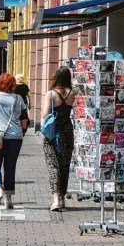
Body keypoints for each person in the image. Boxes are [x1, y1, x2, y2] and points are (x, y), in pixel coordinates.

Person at [0, 73, 27, 209]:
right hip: (14, 137)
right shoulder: (18, 98)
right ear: (12, 85)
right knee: (10, 167)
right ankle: (8, 199)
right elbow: (24, 121)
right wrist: (21, 132)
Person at [40, 67, 76, 211]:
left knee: (53, 164)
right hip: (68, 130)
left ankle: (55, 199)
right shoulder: (72, 93)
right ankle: (62, 199)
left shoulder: (51, 94)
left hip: (53, 132)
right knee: (65, 165)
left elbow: (44, 114)